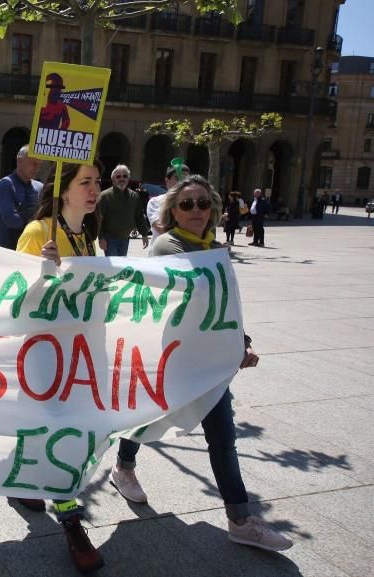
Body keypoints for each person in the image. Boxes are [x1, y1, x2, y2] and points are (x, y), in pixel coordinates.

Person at [109, 176, 293, 552]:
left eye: (203, 204)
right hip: (172, 356)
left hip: (207, 362)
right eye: (187, 204)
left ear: (213, 209)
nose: (196, 210)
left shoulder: (214, 248)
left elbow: (224, 305)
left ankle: (240, 520)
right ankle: (123, 466)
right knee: (146, 416)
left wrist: (240, 342)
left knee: (223, 438)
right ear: (173, 210)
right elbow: (184, 300)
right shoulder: (167, 246)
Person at [16, 161, 105, 573]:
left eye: (97, 182)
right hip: (43, 357)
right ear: (62, 190)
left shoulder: (87, 237)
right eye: (85, 182)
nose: (94, 189)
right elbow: (13, 300)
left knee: (54, 433)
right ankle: (70, 519)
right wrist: (41, 272)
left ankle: (29, 483)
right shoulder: (38, 233)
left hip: (77, 357)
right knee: (61, 436)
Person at [0, 145, 42, 250]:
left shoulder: (40, 187)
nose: (36, 168)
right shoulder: (5, 184)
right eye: (33, 163)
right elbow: (11, 220)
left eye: (39, 164)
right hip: (9, 252)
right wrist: (37, 220)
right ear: (19, 161)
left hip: (33, 252)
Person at [98, 164, 148, 256]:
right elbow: (99, 220)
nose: (122, 179)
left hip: (125, 238)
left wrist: (144, 234)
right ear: (113, 179)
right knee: (115, 266)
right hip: (110, 239)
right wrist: (101, 238)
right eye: (118, 176)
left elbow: (139, 217)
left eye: (125, 176)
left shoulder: (134, 196)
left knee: (121, 266)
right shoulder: (104, 196)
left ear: (128, 179)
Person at [147, 162, 190, 247]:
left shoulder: (195, 204)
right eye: (177, 178)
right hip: (161, 255)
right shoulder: (155, 202)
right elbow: (161, 228)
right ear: (167, 181)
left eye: (186, 179)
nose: (182, 182)